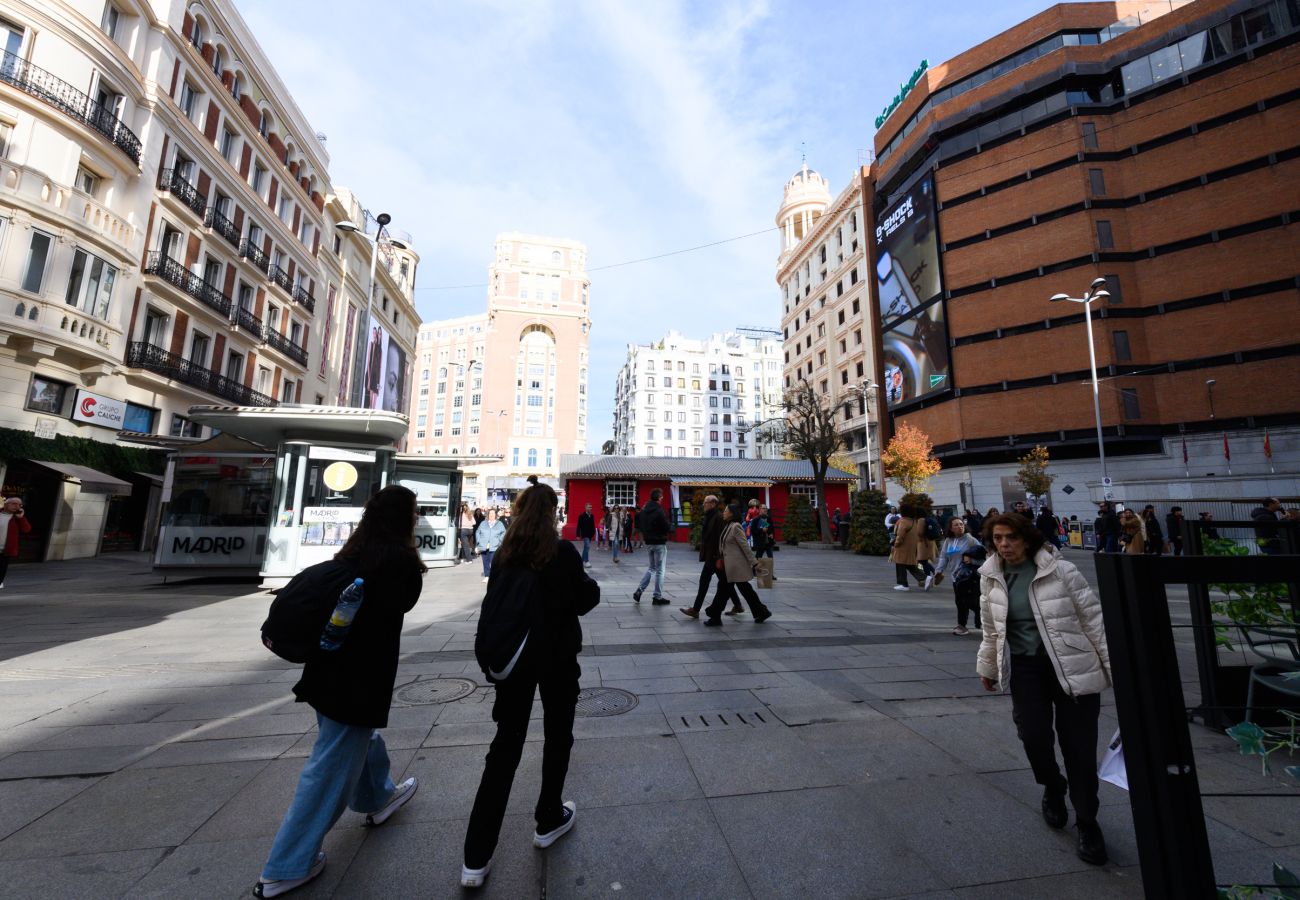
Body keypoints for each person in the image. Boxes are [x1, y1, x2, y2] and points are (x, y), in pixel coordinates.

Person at [256, 486, 426, 898]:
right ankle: (287, 866)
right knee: (331, 764)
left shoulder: (354, 552)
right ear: (405, 518)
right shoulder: (398, 562)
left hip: (326, 671)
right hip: (357, 680)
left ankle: (378, 796)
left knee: (355, 740)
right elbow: (405, 601)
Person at [462, 483, 600, 889]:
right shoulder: (561, 553)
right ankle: (548, 817)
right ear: (553, 512)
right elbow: (584, 598)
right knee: (558, 736)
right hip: (556, 660)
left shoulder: (506, 554)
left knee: (505, 747)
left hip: (516, 662)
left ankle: (476, 856)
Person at [977, 512, 1111, 866]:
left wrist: (1115, 670)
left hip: (1073, 666)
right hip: (1026, 669)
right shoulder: (990, 578)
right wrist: (988, 665)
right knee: (1034, 737)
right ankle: (1053, 786)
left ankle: (1087, 822)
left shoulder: (1060, 571)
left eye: (1011, 538)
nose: (1004, 545)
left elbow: (1093, 619)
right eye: (998, 539)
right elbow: (991, 629)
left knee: (1079, 748)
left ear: (1028, 539)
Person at [703, 503, 772, 626]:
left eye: (725, 511)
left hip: (737, 567)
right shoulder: (728, 525)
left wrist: (754, 563)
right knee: (741, 590)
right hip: (730, 567)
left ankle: (715, 615)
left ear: (732, 513)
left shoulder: (736, 527)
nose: (723, 513)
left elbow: (745, 546)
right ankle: (761, 612)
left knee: (729, 590)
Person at [682, 496, 734, 618]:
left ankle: (695, 609)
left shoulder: (718, 517)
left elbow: (721, 539)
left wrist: (719, 556)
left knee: (708, 581)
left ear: (713, 504)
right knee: (725, 582)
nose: (704, 505)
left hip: (715, 557)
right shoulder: (709, 516)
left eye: (706, 503)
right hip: (711, 556)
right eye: (704, 502)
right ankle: (738, 605)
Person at [934, 517, 983, 635]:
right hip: (956, 577)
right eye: (956, 525)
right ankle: (962, 626)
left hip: (969, 577)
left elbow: (983, 558)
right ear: (950, 528)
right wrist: (939, 570)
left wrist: (971, 560)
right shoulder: (948, 541)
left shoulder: (971, 540)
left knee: (972, 602)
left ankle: (981, 618)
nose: (959, 526)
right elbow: (943, 557)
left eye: (961, 524)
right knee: (960, 602)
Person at [632, 489, 671, 604]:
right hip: (659, 542)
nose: (662, 498)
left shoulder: (644, 510)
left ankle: (639, 590)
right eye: (662, 497)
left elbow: (640, 525)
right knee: (660, 570)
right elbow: (665, 527)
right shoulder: (659, 510)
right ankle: (657, 596)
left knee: (652, 568)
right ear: (659, 498)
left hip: (648, 542)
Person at [889, 504, 928, 591]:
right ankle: (924, 577)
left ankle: (903, 584)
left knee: (900, 564)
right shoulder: (914, 521)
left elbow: (900, 535)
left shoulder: (903, 521)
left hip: (902, 547)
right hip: (911, 547)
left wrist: (896, 544)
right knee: (908, 565)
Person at [0, 496, 32, 589]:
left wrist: (21, 518)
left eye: (19, 504)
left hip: (5, 550)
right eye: (14, 503)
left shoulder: (17, 518)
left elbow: (26, 530)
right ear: (6, 504)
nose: (17, 506)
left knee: (1, 568)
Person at [475, 509, 506, 584]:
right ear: (488, 515)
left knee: (493, 562)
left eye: (492, 513)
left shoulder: (499, 524)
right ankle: (487, 576)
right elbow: (477, 532)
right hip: (483, 546)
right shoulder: (483, 523)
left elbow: (504, 532)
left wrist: (499, 541)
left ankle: (494, 576)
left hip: (494, 546)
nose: (491, 515)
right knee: (485, 562)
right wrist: (479, 541)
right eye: (490, 514)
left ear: (495, 515)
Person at [751, 505, 776, 580]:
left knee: (770, 558)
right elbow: (753, 531)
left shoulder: (769, 518)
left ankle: (770, 575)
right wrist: (762, 530)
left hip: (768, 542)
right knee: (758, 557)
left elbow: (772, 528)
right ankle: (753, 571)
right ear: (759, 510)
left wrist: (771, 533)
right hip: (760, 542)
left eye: (766, 508)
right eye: (763, 508)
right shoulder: (756, 519)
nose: (765, 510)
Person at [575, 503, 596, 569]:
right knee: (587, 546)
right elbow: (579, 526)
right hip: (585, 534)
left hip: (590, 534)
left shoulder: (592, 516)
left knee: (586, 548)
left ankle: (580, 561)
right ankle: (586, 561)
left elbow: (593, 525)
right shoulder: (581, 516)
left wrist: (593, 532)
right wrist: (578, 535)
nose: (590, 508)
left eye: (591, 507)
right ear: (585, 508)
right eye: (589, 507)